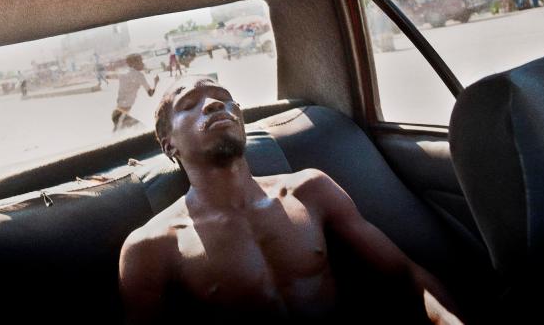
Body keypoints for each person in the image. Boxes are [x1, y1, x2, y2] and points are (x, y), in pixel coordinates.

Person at [119, 77, 462, 324]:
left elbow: (403, 275)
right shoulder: (152, 246)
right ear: (169, 146)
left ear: (240, 119)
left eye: (223, 98)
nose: (212, 105)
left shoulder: (310, 189)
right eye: (189, 105)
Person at [113, 53, 160, 131]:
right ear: (134, 64)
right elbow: (150, 93)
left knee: (119, 131)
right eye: (141, 61)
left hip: (118, 112)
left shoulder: (124, 74)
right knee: (141, 129)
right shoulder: (139, 76)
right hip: (122, 113)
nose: (143, 64)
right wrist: (156, 82)